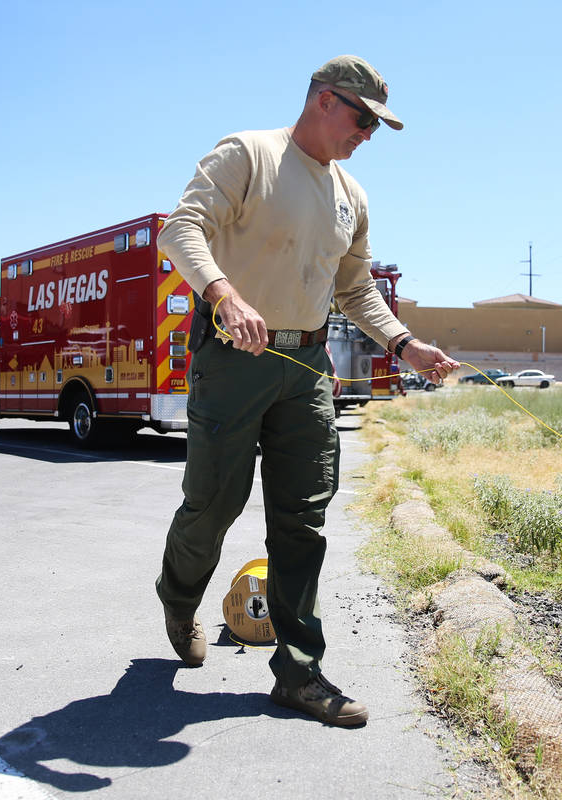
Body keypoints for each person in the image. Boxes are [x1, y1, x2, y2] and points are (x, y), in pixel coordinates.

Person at [155, 55, 458, 727]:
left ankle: (298, 672)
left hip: (308, 366)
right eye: (362, 119)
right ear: (325, 100)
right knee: (213, 505)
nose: (367, 136)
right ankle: (179, 601)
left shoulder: (352, 195)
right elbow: (181, 229)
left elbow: (355, 291)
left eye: (375, 127)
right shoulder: (250, 155)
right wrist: (224, 295)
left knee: (303, 518)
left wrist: (405, 345)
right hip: (233, 358)